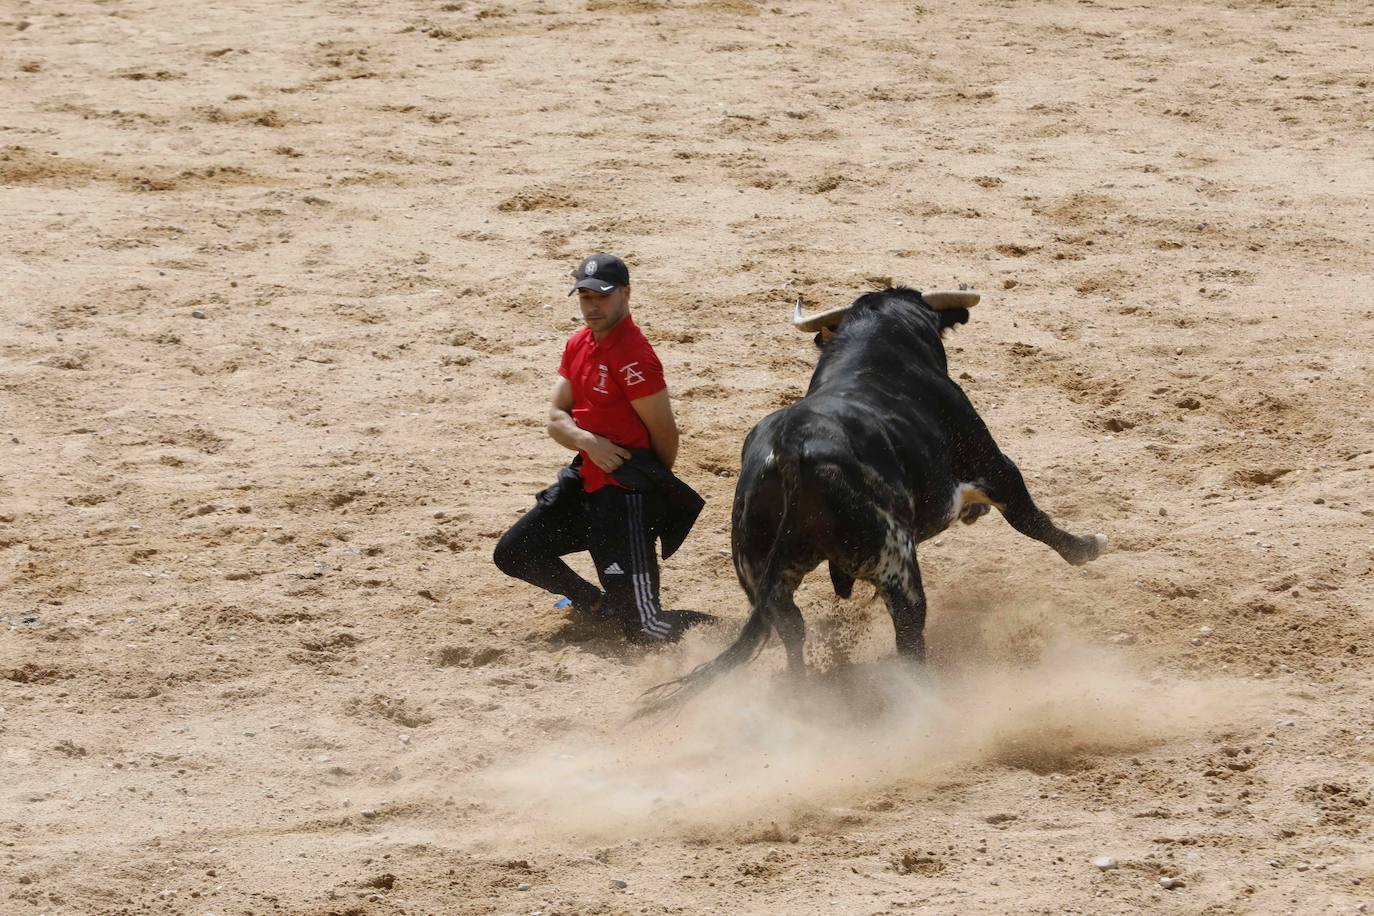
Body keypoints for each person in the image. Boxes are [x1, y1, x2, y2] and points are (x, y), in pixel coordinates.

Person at [493, 253, 709, 644]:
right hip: (585, 482)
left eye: (602, 297)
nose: (592, 306)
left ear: (625, 294)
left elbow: (665, 434)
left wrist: (650, 490)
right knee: (513, 552)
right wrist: (587, 442)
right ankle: (597, 604)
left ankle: (732, 633)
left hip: (624, 499)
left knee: (645, 628)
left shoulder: (635, 360)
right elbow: (555, 419)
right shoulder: (578, 344)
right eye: (585, 297)